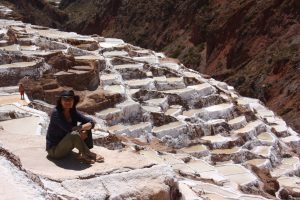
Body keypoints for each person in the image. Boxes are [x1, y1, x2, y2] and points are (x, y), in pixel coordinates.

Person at [46, 90, 104, 164]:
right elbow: (69, 129)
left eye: (70, 99)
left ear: (73, 101)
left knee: (84, 127)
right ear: (60, 101)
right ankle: (88, 153)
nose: (67, 102)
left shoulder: (73, 112)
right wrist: (80, 130)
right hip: (54, 150)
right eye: (65, 99)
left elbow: (91, 122)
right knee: (74, 134)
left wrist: (81, 128)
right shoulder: (56, 113)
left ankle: (83, 153)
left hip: (66, 147)